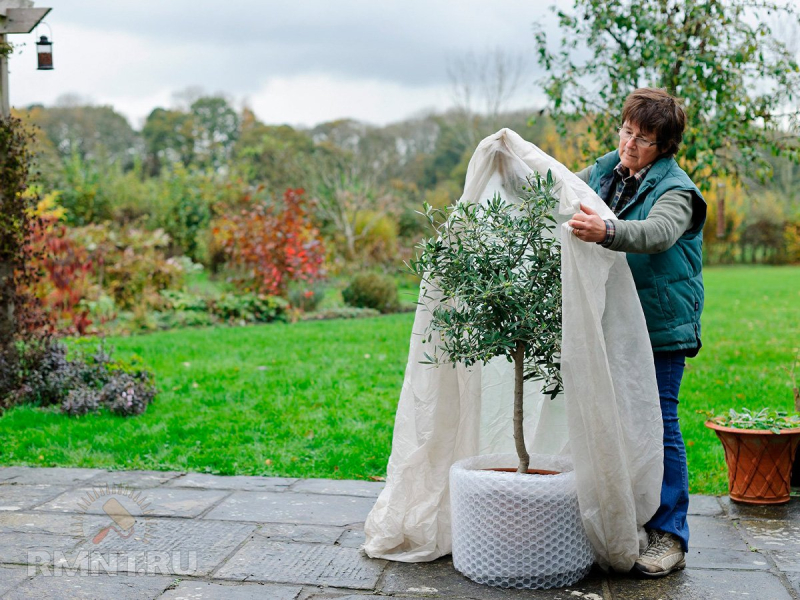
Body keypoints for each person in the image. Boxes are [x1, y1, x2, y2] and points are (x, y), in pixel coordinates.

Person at [568, 87, 706, 578]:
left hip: (662, 326)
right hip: (611, 322)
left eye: (644, 139)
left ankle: (670, 535)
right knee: (614, 421)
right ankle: (626, 518)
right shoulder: (608, 170)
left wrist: (608, 232)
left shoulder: (678, 190)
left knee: (660, 422)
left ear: (664, 146)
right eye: (626, 131)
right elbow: (559, 187)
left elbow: (657, 233)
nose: (630, 144)